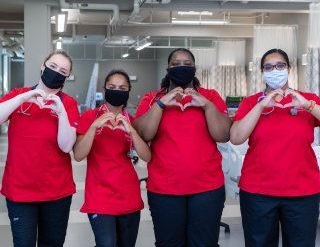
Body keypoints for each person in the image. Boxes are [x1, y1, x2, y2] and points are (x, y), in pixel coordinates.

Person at [133, 48, 232, 247]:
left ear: (195, 69)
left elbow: (223, 135)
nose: (182, 68)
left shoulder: (210, 96)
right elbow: (144, 134)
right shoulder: (152, 98)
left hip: (207, 188)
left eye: (187, 64)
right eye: (176, 64)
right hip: (164, 189)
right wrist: (162, 103)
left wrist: (206, 105)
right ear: (168, 69)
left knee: (204, 243)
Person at [230, 48, 320, 247]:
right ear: (262, 72)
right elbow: (236, 137)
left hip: (302, 192)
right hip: (258, 192)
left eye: (280, 66)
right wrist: (261, 106)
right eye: (269, 67)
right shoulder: (251, 103)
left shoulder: (307, 99)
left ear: (289, 68)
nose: (275, 70)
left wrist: (307, 105)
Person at [0, 50, 79, 246]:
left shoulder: (69, 104)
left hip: (56, 192)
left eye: (63, 71)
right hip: (20, 191)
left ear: (67, 77)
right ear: (43, 65)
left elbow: (66, 145)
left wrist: (60, 112)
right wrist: (23, 98)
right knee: (23, 242)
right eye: (52, 66)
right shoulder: (19, 95)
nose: (56, 72)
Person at [73, 69, 151, 247]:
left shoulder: (132, 120)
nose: (117, 90)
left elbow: (146, 156)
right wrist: (94, 127)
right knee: (106, 243)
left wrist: (131, 130)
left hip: (128, 195)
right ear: (104, 88)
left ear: (128, 91)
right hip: (99, 195)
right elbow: (78, 155)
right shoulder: (89, 117)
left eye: (122, 87)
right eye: (112, 87)